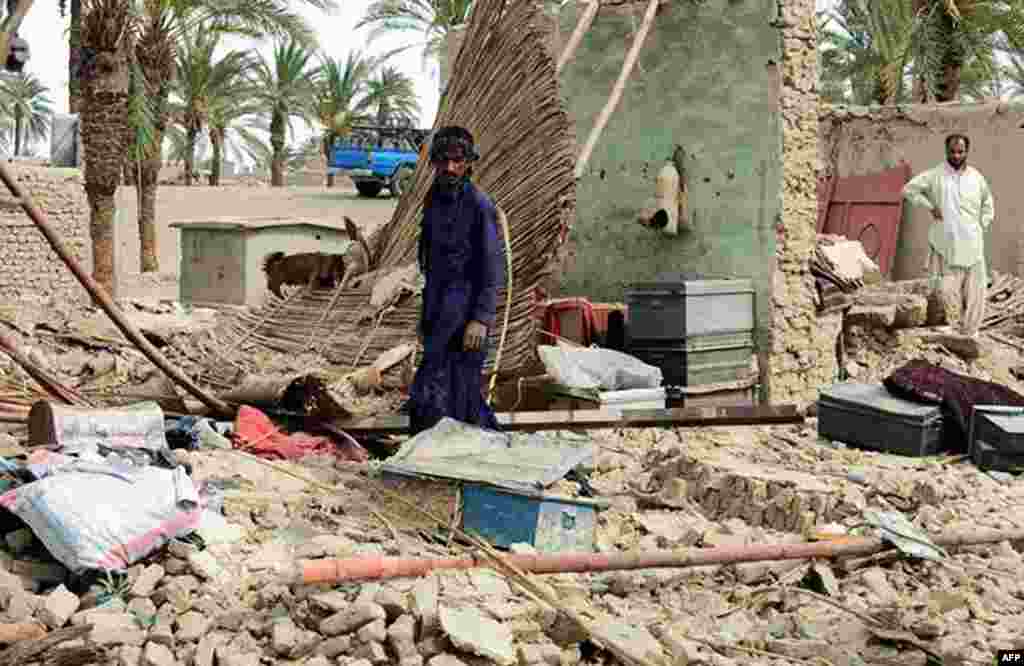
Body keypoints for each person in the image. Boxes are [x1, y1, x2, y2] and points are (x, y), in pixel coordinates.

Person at [406, 125, 506, 435]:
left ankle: (477, 460)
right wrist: (427, 320)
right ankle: (427, 461)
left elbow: (492, 268)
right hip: (439, 313)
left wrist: (480, 319)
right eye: (444, 161)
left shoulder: (480, 206)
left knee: (462, 399)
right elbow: (430, 263)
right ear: (434, 162)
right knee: (429, 395)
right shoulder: (433, 200)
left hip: (466, 321)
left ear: (469, 164)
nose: (450, 167)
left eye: (458, 161)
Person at [902, 133, 995, 338]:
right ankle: (955, 330)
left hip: (973, 242)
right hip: (947, 244)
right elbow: (909, 190)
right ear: (946, 151)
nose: (956, 155)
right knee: (948, 291)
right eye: (952, 151)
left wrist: (983, 224)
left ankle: (971, 333)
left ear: (967, 152)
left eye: (960, 151)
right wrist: (929, 205)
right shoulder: (935, 175)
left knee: (976, 291)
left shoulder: (976, 177)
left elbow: (988, 202)